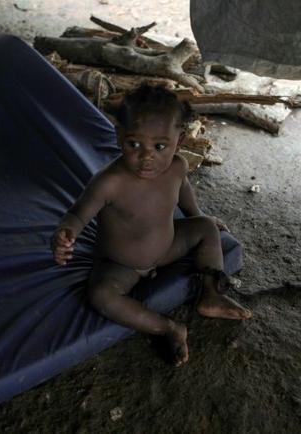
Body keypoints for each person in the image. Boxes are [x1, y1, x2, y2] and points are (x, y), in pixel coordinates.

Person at [50, 85, 252, 367]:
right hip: (122, 264)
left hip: (168, 247)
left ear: (179, 140)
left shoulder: (177, 167)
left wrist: (197, 214)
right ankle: (167, 327)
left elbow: (184, 194)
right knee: (101, 295)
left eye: (159, 146)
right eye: (134, 144)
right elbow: (77, 214)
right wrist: (65, 233)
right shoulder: (110, 182)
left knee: (206, 227)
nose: (147, 157)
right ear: (119, 135)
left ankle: (211, 295)